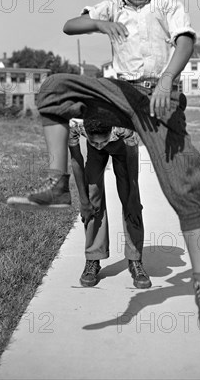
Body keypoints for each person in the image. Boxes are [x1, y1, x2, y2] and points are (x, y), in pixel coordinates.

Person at [7, 0, 200, 333]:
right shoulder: (111, 8)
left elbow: (185, 40)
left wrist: (168, 79)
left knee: (184, 187)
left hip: (159, 95)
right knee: (55, 89)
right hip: (120, 92)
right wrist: (99, 23)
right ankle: (58, 186)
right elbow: (69, 25)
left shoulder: (165, 3)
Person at [68, 117, 151, 289]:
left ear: (111, 131)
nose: (100, 145)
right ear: (86, 133)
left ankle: (135, 260)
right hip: (96, 150)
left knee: (131, 201)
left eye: (102, 142)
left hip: (123, 148)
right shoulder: (75, 124)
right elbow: (76, 160)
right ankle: (93, 258)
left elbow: (132, 165)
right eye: (94, 142)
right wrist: (83, 202)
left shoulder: (125, 126)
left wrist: (134, 198)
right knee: (92, 199)